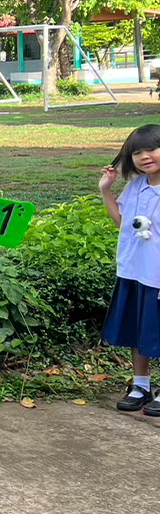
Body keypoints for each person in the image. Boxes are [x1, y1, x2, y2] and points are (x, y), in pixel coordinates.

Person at [98, 123, 160, 416]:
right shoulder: (136, 186)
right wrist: (105, 189)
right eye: (137, 153)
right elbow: (122, 222)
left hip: (157, 276)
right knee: (138, 331)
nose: (144, 157)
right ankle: (141, 385)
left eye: (152, 149)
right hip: (135, 272)